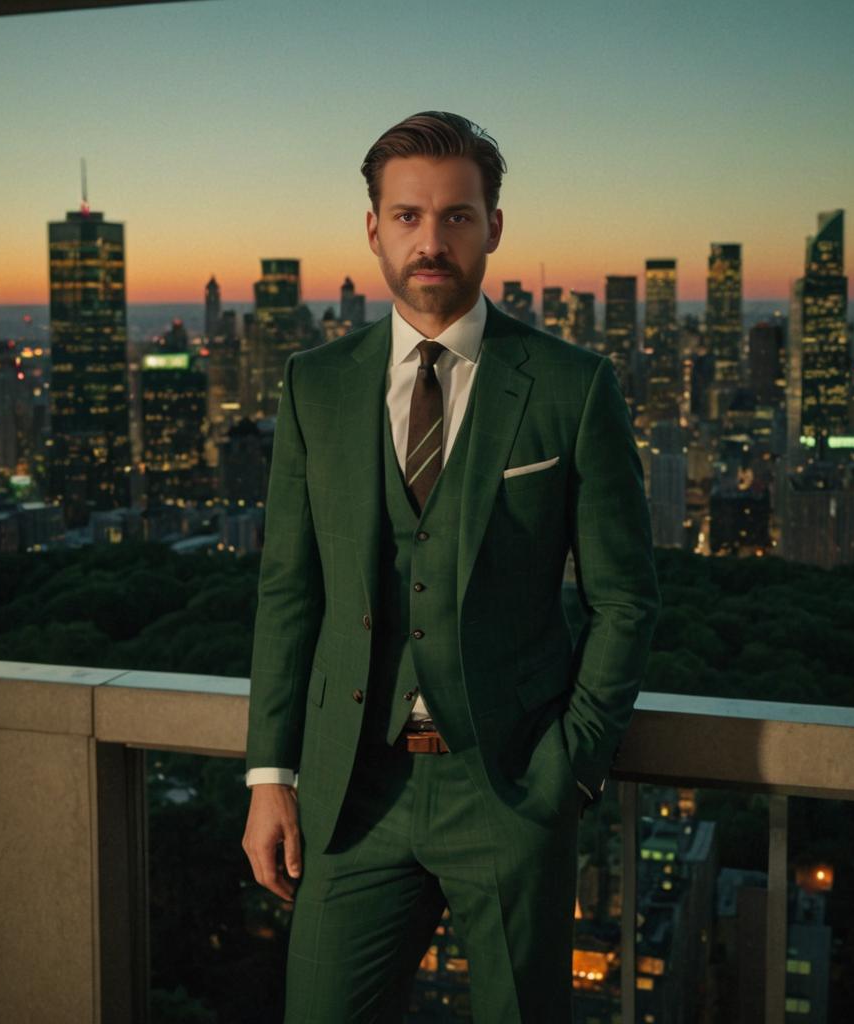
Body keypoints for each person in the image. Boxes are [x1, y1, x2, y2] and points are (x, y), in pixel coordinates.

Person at [241, 110, 660, 1023]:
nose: (431, 242)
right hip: (354, 793)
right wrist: (271, 777)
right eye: (407, 217)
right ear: (374, 230)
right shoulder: (315, 383)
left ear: (493, 227)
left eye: (457, 217)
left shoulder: (570, 385)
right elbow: (289, 592)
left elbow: (625, 600)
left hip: (508, 787)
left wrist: (568, 771)